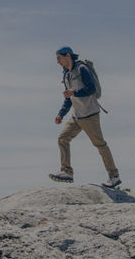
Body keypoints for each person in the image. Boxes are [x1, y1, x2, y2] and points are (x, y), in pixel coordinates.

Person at [49, 46, 121, 188]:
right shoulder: (67, 74)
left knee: (100, 145)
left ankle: (114, 176)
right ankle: (67, 172)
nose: (57, 62)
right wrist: (60, 114)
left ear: (68, 55)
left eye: (59, 58)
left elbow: (91, 88)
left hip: (90, 115)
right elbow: (68, 98)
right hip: (76, 116)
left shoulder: (82, 68)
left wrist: (74, 92)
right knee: (63, 139)